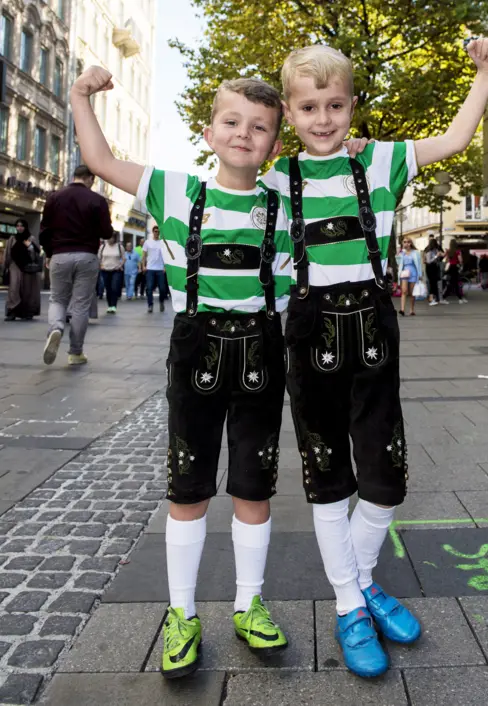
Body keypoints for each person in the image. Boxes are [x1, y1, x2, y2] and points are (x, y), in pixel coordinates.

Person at [262, 38, 488, 678]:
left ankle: (363, 581)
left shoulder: (384, 161)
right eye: (310, 107)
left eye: (335, 105)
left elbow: (453, 139)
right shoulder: (274, 180)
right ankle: (349, 604)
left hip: (373, 329)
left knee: (385, 471)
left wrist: (484, 73)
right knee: (325, 473)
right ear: (290, 113)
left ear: (352, 106)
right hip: (309, 331)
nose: (323, 118)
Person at [71, 66, 299, 678]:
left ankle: (249, 603)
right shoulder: (174, 193)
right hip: (195, 353)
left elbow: (342, 180)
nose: (243, 134)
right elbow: (97, 156)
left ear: (276, 145)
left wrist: (354, 149)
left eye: (259, 128)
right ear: (208, 132)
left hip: (261, 356)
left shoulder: (286, 204)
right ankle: (182, 612)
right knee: (187, 488)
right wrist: (79, 96)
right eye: (231, 122)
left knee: (255, 487)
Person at [39, 164, 112, 366]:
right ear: (90, 178)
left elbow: (44, 230)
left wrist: (48, 253)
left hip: (60, 255)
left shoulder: (54, 197)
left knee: (57, 299)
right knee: (80, 305)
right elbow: (106, 232)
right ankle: (75, 353)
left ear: (74, 176)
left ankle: (56, 328)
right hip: (87, 256)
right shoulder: (97, 200)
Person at [4, 219, 43, 321]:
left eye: (21, 226)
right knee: (14, 288)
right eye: (17, 226)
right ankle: (12, 311)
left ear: (25, 227)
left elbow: (37, 254)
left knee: (27, 290)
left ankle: (27, 312)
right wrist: (6, 267)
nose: (19, 228)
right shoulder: (12, 239)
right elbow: (8, 254)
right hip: (14, 266)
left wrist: (31, 248)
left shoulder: (30, 238)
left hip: (27, 268)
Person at [143, 225, 168, 313]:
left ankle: (161, 302)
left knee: (162, 288)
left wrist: (165, 267)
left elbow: (166, 256)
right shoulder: (147, 242)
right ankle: (150, 305)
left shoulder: (162, 243)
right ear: (153, 232)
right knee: (149, 288)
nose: (157, 233)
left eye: (158, 231)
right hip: (150, 268)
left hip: (160, 269)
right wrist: (143, 266)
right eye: (155, 231)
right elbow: (144, 255)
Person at [98, 232, 125, 314]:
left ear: (115, 238)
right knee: (108, 288)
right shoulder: (103, 247)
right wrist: (100, 265)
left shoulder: (119, 247)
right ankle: (109, 305)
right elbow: (99, 258)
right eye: (109, 238)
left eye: (112, 238)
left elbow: (124, 258)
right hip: (105, 270)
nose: (110, 239)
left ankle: (113, 305)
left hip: (116, 270)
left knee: (114, 287)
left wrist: (120, 265)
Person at [397, 237, 422, 315]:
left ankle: (411, 309)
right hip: (404, 273)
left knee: (411, 293)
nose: (406, 243)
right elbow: (398, 263)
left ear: (411, 243)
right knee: (404, 291)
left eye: (408, 242)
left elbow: (419, 264)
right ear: (402, 243)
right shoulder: (401, 253)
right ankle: (402, 310)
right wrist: (398, 254)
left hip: (413, 273)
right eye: (404, 242)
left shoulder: (415, 253)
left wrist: (420, 274)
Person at [443, 239, 465, 303]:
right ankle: (445, 297)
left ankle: (460, 298)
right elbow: (460, 260)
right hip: (455, 267)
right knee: (454, 283)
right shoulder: (457, 251)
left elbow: (446, 259)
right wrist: (461, 265)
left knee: (453, 283)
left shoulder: (448, 251)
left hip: (450, 267)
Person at [424, 238, 443, 306]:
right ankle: (431, 299)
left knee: (434, 283)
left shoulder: (435, 250)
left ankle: (435, 299)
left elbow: (439, 258)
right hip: (430, 268)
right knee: (432, 283)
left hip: (435, 268)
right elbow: (429, 261)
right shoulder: (429, 251)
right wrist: (436, 256)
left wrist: (441, 255)